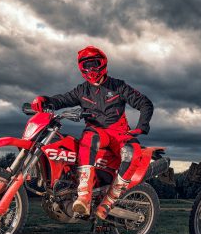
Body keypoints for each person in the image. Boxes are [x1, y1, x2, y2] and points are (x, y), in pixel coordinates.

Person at [31, 46, 153, 220]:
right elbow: (61, 99)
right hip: (96, 131)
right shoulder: (82, 90)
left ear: (102, 63)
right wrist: (44, 100)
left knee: (132, 152)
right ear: (81, 68)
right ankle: (83, 198)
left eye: (94, 64)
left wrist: (142, 126)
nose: (91, 69)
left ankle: (108, 203)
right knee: (89, 140)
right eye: (86, 65)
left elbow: (144, 103)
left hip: (119, 132)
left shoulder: (118, 85)